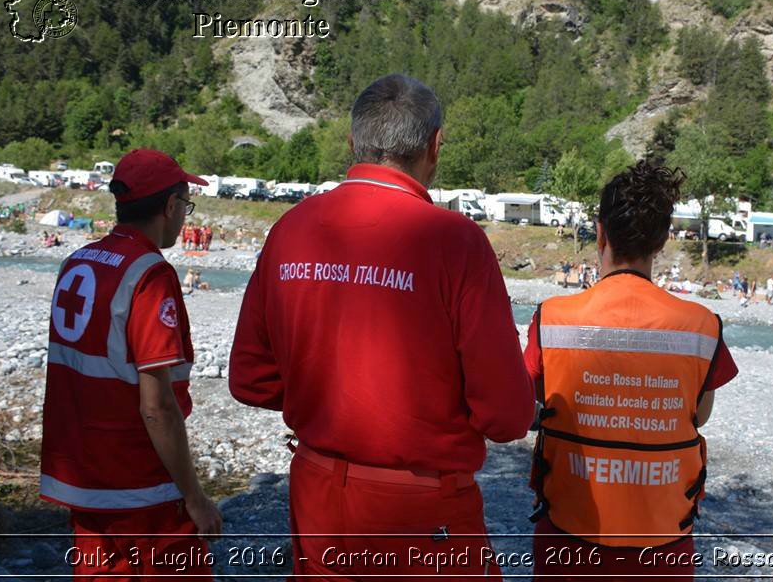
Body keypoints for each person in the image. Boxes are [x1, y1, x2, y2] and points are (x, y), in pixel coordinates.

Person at [229, 74, 534, 579]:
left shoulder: (291, 228)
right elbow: (506, 416)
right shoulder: (455, 241)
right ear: (435, 146)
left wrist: (334, 399)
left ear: (353, 144)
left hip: (318, 496)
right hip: (421, 506)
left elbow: (250, 379)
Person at [524, 161, 738, 581]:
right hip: (662, 546)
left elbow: (530, 397)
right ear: (661, 243)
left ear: (600, 233)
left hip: (568, 540)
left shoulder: (552, 318)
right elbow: (701, 414)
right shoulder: (701, 326)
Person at [40, 149, 221, 581]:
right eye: (185, 205)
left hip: (83, 480)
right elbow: (156, 406)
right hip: (141, 488)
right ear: (170, 206)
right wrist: (194, 497)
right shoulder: (150, 276)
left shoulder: (79, 261)